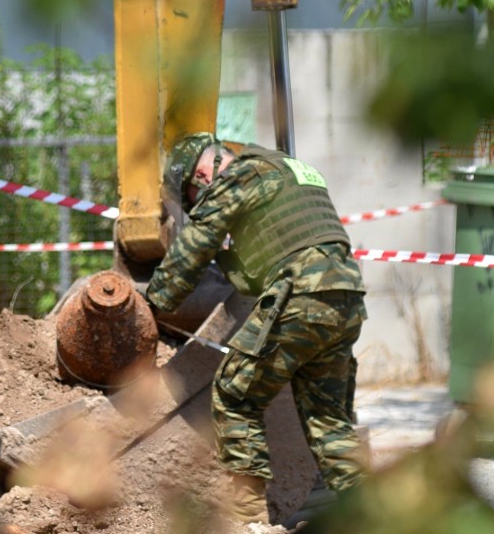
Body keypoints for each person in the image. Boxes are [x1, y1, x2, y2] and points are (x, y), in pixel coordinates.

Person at [144, 132, 368, 524]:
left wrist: (154, 304)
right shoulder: (292, 170)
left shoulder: (239, 176)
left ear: (202, 173)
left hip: (302, 291)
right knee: (329, 419)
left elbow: (196, 244)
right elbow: (269, 251)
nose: (200, 203)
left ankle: (248, 520)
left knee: (236, 393)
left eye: (195, 197)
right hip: (345, 297)